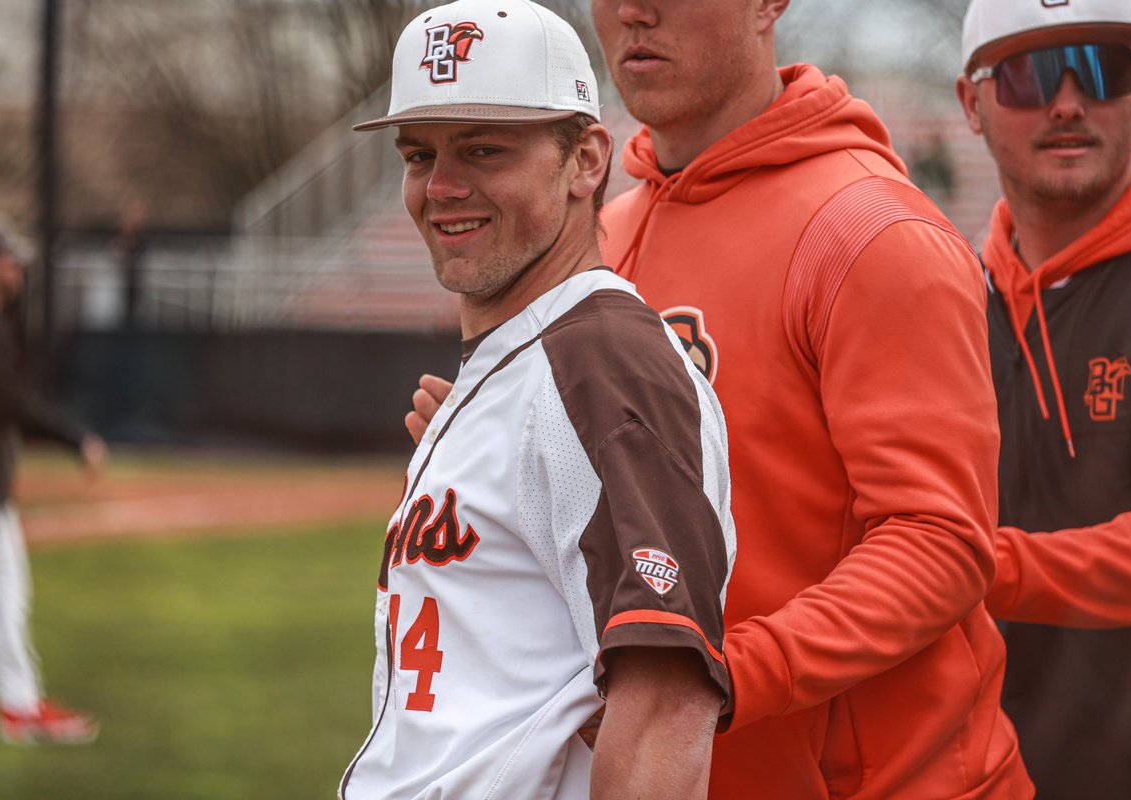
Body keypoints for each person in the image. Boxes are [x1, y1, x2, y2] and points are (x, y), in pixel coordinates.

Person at [409, 0, 1034, 796]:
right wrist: (493, 459)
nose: (634, 12)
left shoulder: (872, 232)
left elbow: (938, 542)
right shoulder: (601, 234)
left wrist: (719, 677)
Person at [340, 2, 736, 798]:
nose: (441, 187)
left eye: (484, 150)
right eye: (420, 156)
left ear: (586, 159)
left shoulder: (604, 362)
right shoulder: (531, 365)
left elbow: (665, 708)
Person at [956, 0, 1131, 796]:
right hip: (987, 774)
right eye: (1027, 74)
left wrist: (977, 567)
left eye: (1102, 69)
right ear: (969, 104)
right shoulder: (950, 298)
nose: (1067, 101)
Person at [0, 214, 106, 745]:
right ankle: (20, 707)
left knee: (6, 600)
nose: (17, 274)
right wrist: (75, 438)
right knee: (4, 598)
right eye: (8, 264)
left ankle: (20, 707)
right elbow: (12, 402)